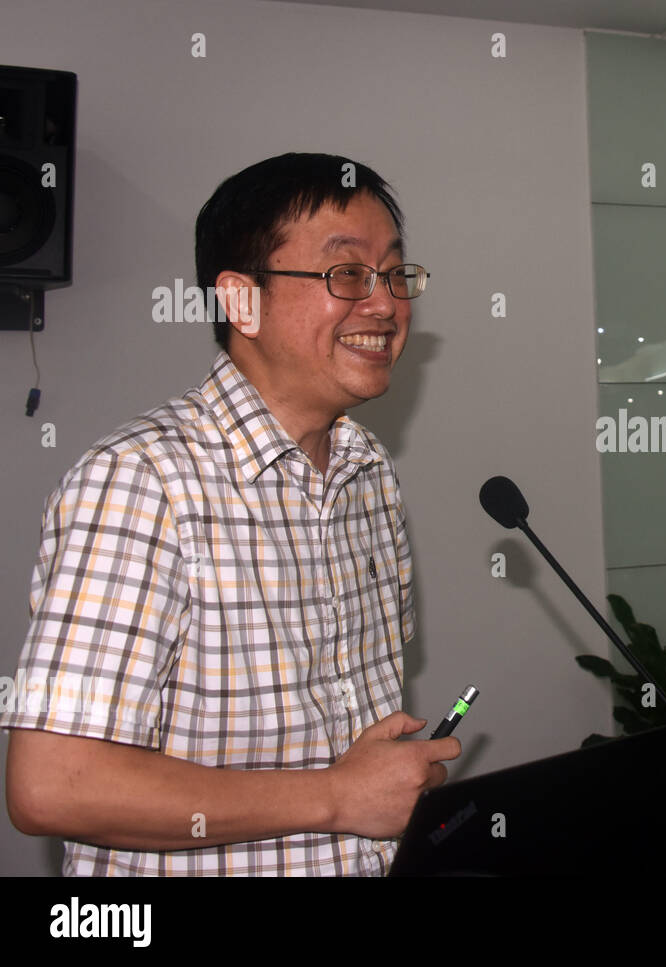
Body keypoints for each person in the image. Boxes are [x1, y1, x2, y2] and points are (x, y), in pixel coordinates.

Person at [1, 152, 459, 875]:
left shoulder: (369, 474)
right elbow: (53, 783)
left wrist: (379, 791)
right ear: (241, 301)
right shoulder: (142, 480)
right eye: (346, 274)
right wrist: (337, 796)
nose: (385, 304)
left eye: (396, 274)